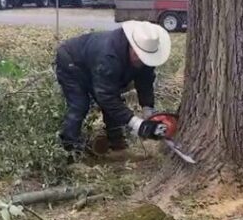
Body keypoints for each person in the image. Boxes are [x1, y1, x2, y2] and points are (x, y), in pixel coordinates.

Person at [55, 20, 171, 153]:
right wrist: (136, 124)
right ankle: (69, 148)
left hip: (94, 64)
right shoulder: (109, 57)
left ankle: (116, 143)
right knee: (80, 105)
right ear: (131, 45)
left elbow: (145, 81)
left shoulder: (145, 56)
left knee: (113, 100)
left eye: (144, 58)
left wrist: (148, 109)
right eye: (137, 56)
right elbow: (106, 97)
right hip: (72, 61)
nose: (140, 60)